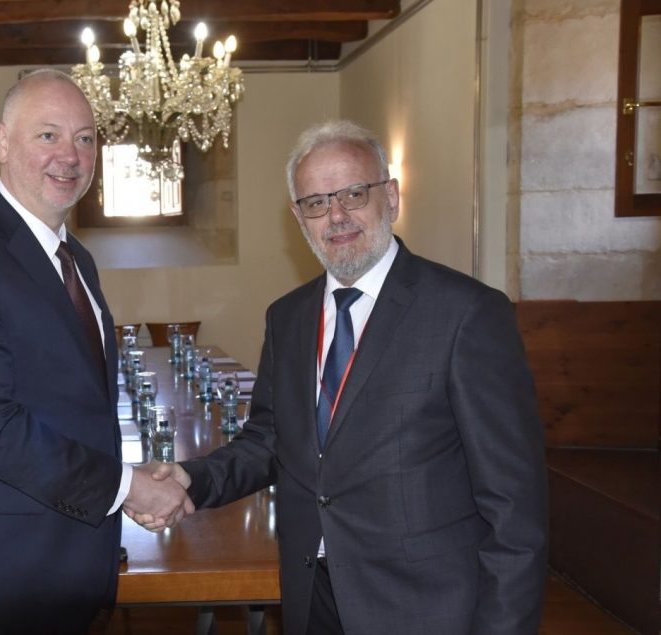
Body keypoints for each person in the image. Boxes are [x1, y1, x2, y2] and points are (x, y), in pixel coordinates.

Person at [137, 120, 548, 634]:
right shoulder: (288, 317)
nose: (336, 216)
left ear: (390, 197)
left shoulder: (466, 314)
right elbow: (269, 440)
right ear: (299, 218)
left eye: (354, 193)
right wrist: (191, 479)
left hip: (425, 608)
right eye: (316, 202)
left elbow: (514, 507)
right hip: (314, 598)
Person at [0, 69, 193, 634]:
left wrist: (125, 476)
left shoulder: (77, 259)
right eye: (48, 135)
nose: (70, 156)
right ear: (3, 142)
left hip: (69, 562)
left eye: (85, 138)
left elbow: (76, 403)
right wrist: (126, 486)